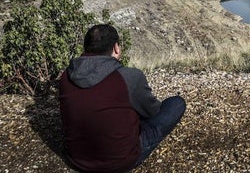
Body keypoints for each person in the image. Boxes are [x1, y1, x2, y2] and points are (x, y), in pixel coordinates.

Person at [59, 24, 186, 173]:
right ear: (116, 48)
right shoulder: (128, 76)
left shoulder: (66, 77)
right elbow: (153, 111)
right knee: (176, 104)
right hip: (120, 162)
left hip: (78, 160)